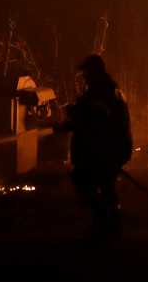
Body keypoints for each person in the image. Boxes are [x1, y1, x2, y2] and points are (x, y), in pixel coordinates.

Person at [54, 54, 133, 241]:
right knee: (101, 187)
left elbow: (94, 120)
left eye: (87, 73)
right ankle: (107, 226)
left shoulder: (104, 92)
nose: (85, 77)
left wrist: (72, 118)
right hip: (105, 150)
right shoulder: (106, 90)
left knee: (92, 184)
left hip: (106, 150)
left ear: (94, 71)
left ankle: (108, 226)